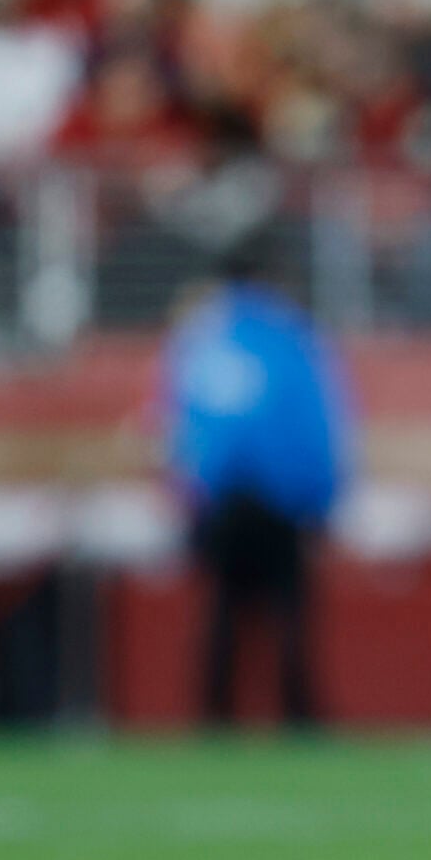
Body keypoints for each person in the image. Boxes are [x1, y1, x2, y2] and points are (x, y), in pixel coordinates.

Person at [163, 243, 354, 725]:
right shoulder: (294, 337)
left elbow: (182, 427)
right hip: (282, 499)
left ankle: (214, 714)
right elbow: (318, 422)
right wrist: (322, 495)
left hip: (221, 500)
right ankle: (298, 714)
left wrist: (190, 495)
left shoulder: (201, 339)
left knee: (223, 611)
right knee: (290, 614)